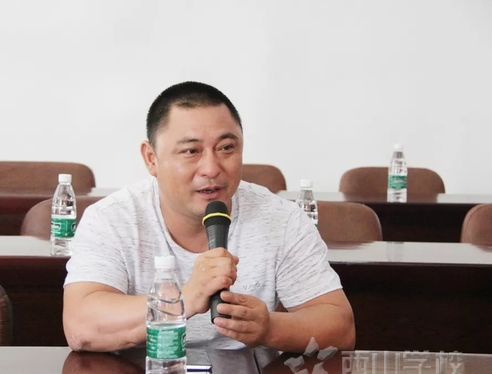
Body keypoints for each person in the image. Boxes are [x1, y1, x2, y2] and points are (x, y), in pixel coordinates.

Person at [63, 81, 355, 353]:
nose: (212, 169)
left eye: (226, 148)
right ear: (151, 159)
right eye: (191, 151)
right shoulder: (111, 219)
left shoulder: (281, 219)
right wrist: (183, 299)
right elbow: (81, 326)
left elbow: (341, 328)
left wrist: (270, 327)